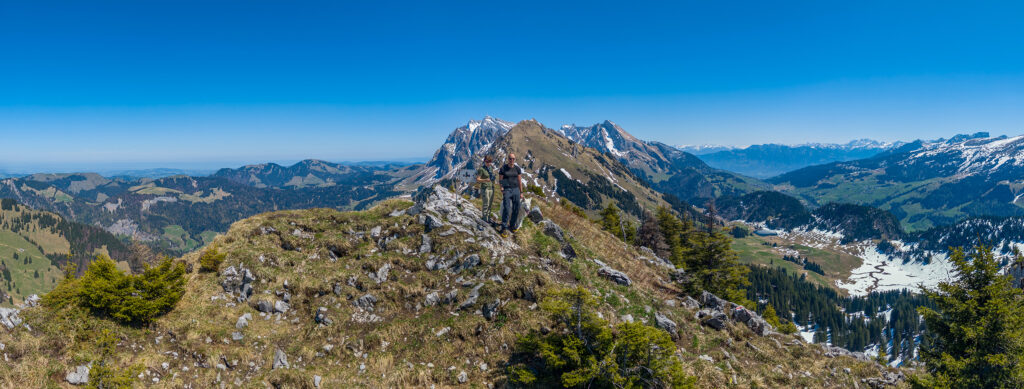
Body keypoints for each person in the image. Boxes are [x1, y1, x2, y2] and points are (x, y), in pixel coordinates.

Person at [498, 153, 524, 236]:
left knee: (517, 208)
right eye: (510, 158)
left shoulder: (517, 169)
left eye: (513, 159)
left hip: (516, 189)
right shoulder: (503, 168)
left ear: (515, 160)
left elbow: (520, 181)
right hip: (507, 189)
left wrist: (521, 192)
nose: (511, 160)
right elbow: (501, 179)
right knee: (507, 208)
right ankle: (504, 227)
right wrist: (502, 188)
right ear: (508, 159)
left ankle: (512, 225)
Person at [475, 155, 496, 224]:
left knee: (490, 204)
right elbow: (478, 179)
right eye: (487, 161)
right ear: (484, 161)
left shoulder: (490, 169)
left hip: (491, 187)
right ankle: (484, 218)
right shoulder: (481, 169)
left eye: (490, 161)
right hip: (485, 188)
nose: (489, 163)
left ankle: (488, 217)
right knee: (486, 203)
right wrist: (485, 180)